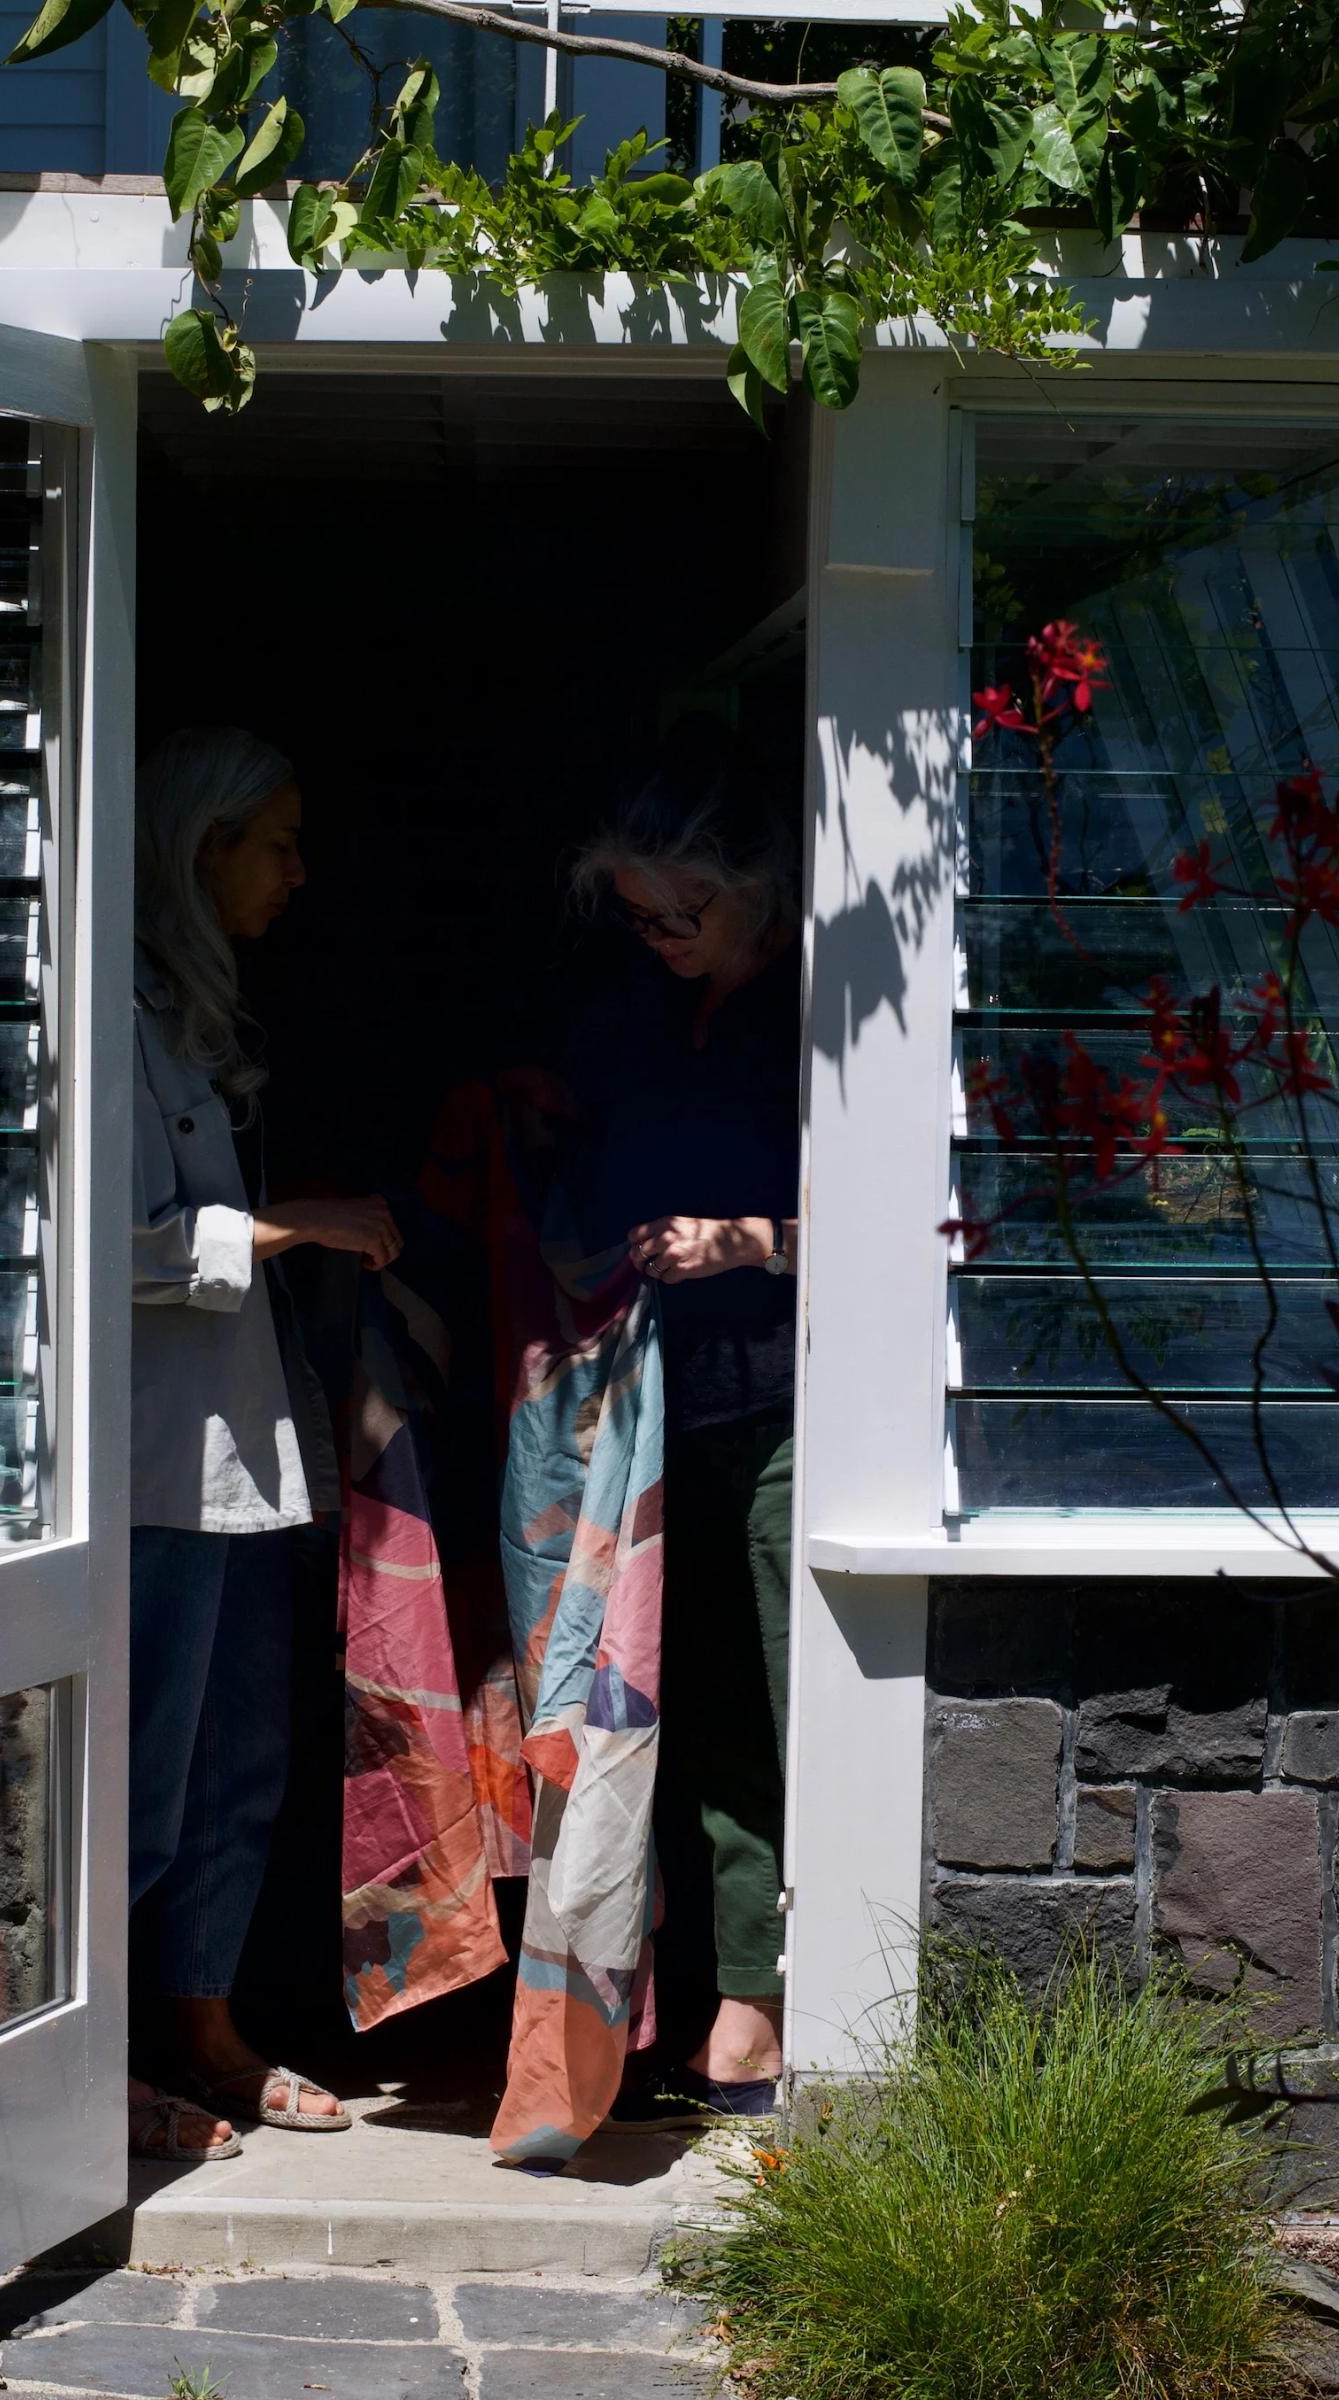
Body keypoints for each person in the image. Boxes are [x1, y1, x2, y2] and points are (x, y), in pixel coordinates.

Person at [126, 727, 402, 2162]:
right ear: (205, 846)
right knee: (143, 1775)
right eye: (276, 844)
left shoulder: (191, 1014)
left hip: (240, 1456)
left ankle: (206, 2031)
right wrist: (301, 1225)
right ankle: (95, 2070)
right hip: (155, 1466)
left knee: (239, 1760)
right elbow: (118, 1244)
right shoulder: (108, 1016)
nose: (298, 874)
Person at [567, 726, 800, 2125]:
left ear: (756, 882)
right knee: (695, 1708)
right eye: (641, 917)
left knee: (775, 1706)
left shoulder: (822, 1011)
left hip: (787, 1407)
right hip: (666, 1410)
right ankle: (723, 2004)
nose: (661, 938)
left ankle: (761, 2015)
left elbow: (931, 1220)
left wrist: (752, 1239)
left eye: (684, 911)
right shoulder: (650, 1016)